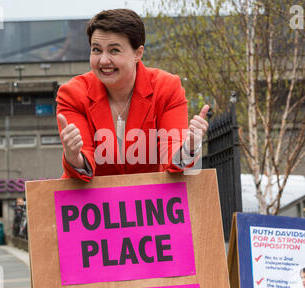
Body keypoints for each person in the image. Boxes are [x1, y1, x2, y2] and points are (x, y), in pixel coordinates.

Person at [56, 9, 209, 181]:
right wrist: (73, 156)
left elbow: (172, 159)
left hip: (149, 202)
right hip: (93, 204)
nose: (103, 60)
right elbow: (83, 163)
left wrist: (189, 147)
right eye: (96, 50)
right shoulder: (72, 94)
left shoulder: (167, 88)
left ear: (138, 53)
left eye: (114, 50)